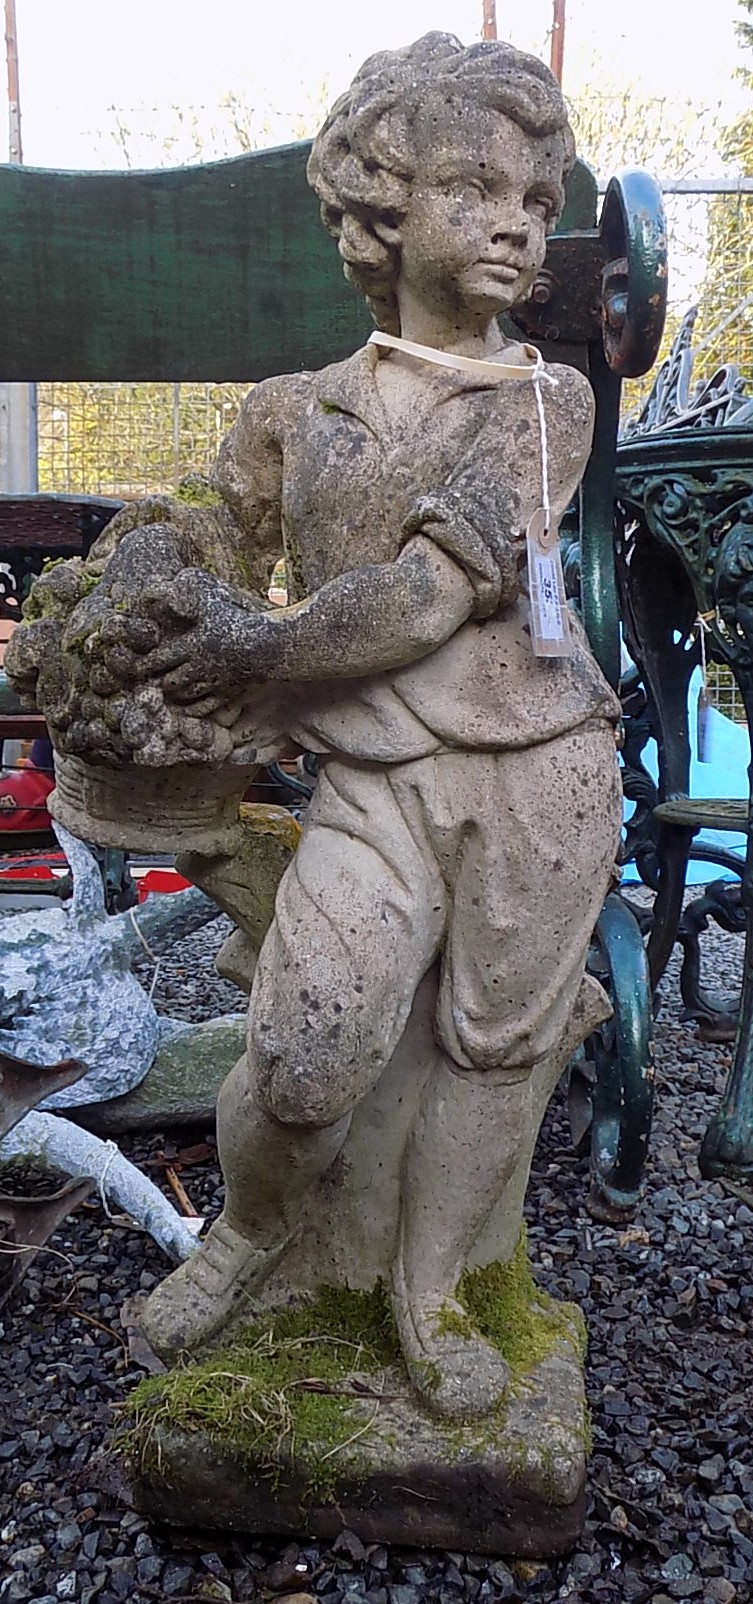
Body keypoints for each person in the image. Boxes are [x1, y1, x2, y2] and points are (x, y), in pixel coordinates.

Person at [7, 33, 622, 1418]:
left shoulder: (546, 407)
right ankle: (246, 1232)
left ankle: (432, 1294)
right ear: (380, 206)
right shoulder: (295, 410)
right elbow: (210, 525)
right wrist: (154, 572)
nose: (520, 220)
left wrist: (253, 650)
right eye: (477, 186)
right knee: (304, 1047)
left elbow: (415, 602)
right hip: (373, 780)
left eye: (538, 194)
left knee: (491, 1045)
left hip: (537, 771)